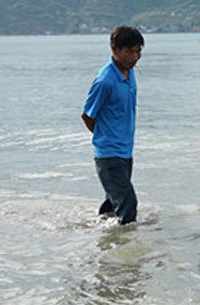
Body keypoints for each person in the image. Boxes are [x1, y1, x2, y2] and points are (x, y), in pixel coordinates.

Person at [81, 26, 144, 225]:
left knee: (113, 203)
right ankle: (128, 251)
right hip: (109, 154)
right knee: (128, 203)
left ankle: (101, 239)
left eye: (138, 51)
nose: (135, 57)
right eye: (130, 51)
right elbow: (87, 115)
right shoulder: (105, 80)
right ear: (115, 50)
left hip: (126, 151)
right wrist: (105, 138)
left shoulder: (128, 73)